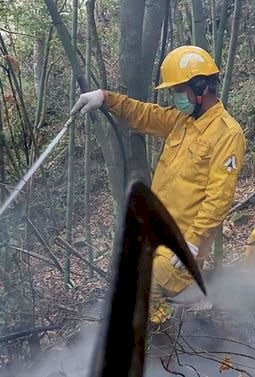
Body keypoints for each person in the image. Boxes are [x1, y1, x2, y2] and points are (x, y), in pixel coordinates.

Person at [71, 45, 246, 324]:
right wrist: (105, 98)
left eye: (179, 90)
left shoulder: (227, 133)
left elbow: (219, 197)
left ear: (200, 87)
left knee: (145, 286)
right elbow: (144, 114)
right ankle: (163, 335)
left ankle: (161, 350)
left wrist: (193, 241)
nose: (176, 98)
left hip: (185, 244)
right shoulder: (182, 121)